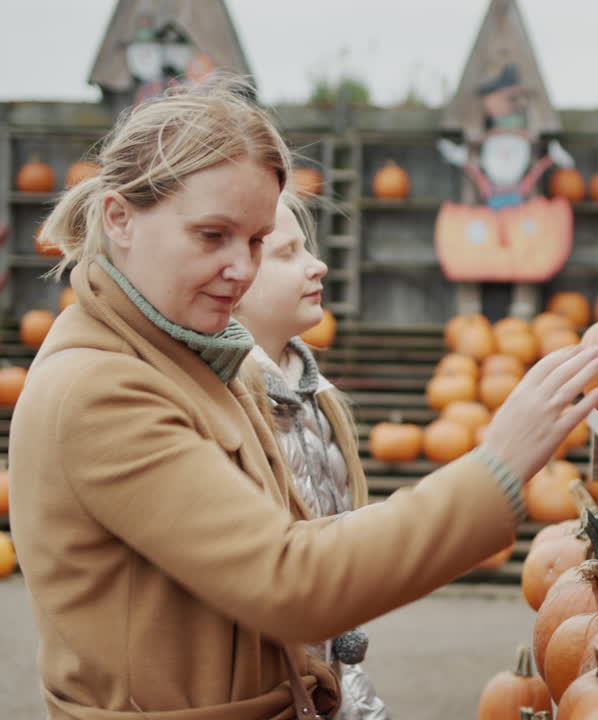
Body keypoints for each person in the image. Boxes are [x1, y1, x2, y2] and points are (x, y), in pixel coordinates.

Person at [8, 74, 598, 720]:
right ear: (118, 218)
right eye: (213, 236)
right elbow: (290, 578)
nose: (243, 267)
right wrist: (496, 471)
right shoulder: (100, 390)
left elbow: (293, 545)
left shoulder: (202, 358)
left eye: (259, 240)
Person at [232, 188, 388, 720]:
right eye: (288, 253)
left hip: (328, 682)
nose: (317, 264)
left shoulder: (322, 400)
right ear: (231, 279)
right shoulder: (227, 403)